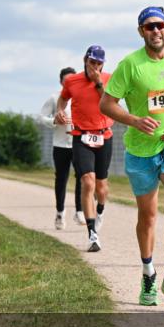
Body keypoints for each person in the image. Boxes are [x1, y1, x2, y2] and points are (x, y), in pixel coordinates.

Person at [100, 7, 164, 313]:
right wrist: (133, 120)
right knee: (147, 216)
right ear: (141, 32)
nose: (155, 31)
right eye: (149, 27)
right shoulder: (130, 65)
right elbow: (106, 104)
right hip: (141, 150)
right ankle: (148, 274)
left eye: (160, 25)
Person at [58, 46, 114, 252]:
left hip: (103, 135)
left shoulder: (109, 79)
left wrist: (98, 82)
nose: (95, 67)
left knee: (101, 187)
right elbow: (63, 98)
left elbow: (109, 101)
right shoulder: (72, 81)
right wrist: (59, 111)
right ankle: (92, 235)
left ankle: (100, 211)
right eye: (92, 63)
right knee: (87, 182)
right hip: (81, 136)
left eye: (99, 64)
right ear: (85, 60)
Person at [40, 67, 83, 231]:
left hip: (79, 143)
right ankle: (60, 212)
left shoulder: (80, 97)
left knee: (81, 176)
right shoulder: (54, 98)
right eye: (66, 81)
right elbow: (42, 117)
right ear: (61, 82)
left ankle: (79, 211)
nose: (69, 84)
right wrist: (54, 121)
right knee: (61, 179)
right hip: (60, 145)